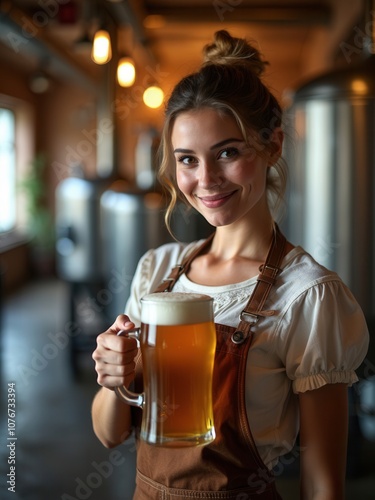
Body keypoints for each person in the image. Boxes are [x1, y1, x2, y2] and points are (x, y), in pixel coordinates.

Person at [91, 30, 369, 499]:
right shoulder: (157, 270)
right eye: (187, 160)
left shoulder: (307, 294)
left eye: (228, 151)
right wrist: (113, 378)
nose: (206, 180)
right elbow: (109, 433)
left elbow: (323, 484)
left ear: (272, 146)